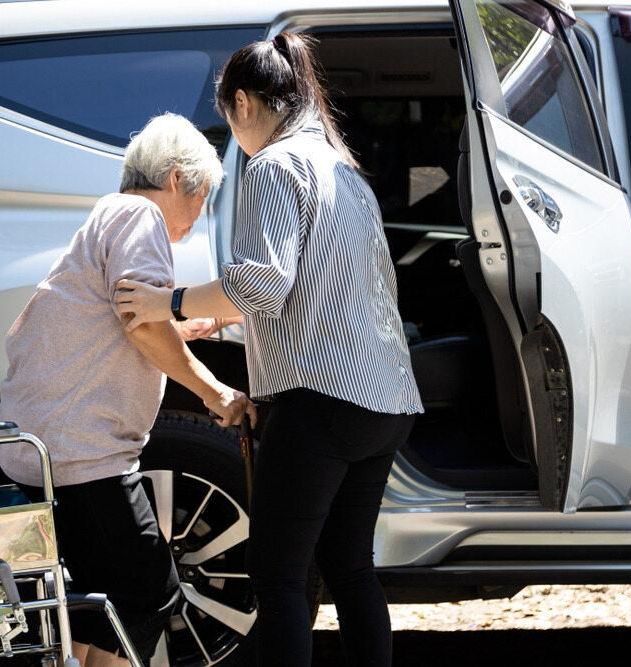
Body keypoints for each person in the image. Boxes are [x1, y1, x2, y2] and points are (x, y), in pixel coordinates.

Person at [115, 32, 423, 667]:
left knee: (278, 575)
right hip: (386, 398)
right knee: (349, 567)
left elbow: (264, 280)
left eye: (228, 118)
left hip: (319, 400)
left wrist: (166, 302)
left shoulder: (275, 166)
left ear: (245, 103)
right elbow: (319, 291)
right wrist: (217, 325)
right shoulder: (343, 168)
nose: (233, 137)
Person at [0, 113, 256, 667]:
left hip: (52, 444)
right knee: (148, 591)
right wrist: (216, 393)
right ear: (178, 179)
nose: (199, 215)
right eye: (203, 197)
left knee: (103, 601)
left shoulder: (111, 213)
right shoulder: (141, 216)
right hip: (83, 451)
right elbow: (142, 326)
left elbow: (117, 318)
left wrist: (184, 327)